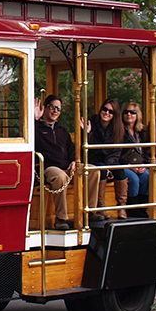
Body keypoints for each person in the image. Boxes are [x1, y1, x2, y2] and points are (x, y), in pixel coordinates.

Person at [33, 95, 96, 230]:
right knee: (61, 177)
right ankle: (61, 218)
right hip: (49, 167)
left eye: (59, 109)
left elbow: (71, 148)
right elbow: (30, 142)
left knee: (93, 170)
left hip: (67, 166)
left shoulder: (62, 131)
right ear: (45, 108)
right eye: (52, 107)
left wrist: (74, 160)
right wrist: (35, 120)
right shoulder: (37, 128)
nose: (55, 111)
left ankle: (90, 211)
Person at [87, 98, 122, 221]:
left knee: (120, 171)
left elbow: (116, 153)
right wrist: (88, 133)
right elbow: (90, 149)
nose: (106, 113)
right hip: (93, 159)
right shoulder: (92, 124)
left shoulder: (117, 129)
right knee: (101, 169)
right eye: (104, 109)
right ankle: (100, 206)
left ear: (114, 115)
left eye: (111, 112)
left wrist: (108, 166)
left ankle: (121, 208)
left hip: (108, 162)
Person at [119, 102, 150, 219]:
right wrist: (129, 165)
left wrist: (144, 165)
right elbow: (117, 153)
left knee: (146, 176)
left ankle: (142, 209)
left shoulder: (141, 132)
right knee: (133, 179)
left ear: (138, 115)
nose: (129, 114)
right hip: (124, 165)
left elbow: (146, 151)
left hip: (140, 164)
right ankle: (132, 209)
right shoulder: (120, 131)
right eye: (126, 112)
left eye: (133, 112)